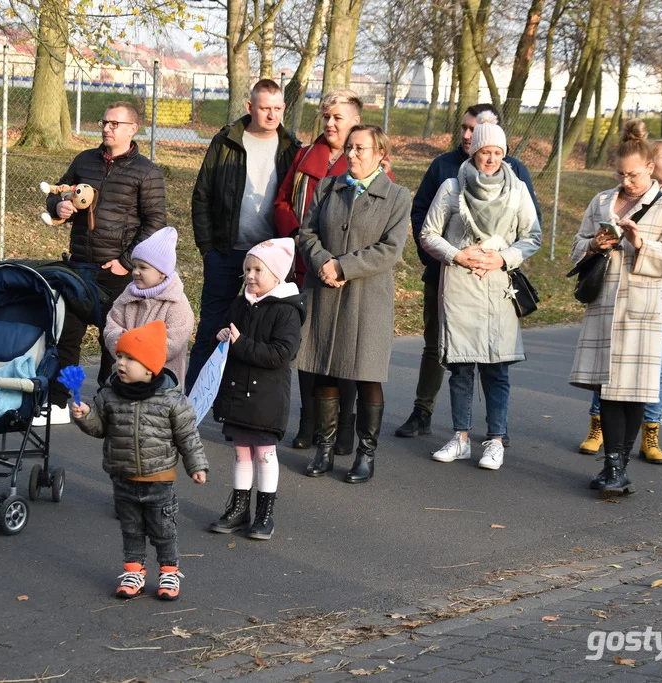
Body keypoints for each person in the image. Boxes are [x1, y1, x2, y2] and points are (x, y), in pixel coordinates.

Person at [396, 103, 541, 440]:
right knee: (442, 349)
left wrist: (502, 259)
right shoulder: (444, 168)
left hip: (494, 281)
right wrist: (442, 257)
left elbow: (530, 229)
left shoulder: (515, 175)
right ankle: (424, 412)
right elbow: (423, 218)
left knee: (494, 362)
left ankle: (496, 433)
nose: (468, 134)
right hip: (447, 275)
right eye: (466, 128)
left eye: (477, 129)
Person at [569, 120, 662, 498]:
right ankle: (611, 465)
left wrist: (641, 244)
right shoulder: (602, 201)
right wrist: (594, 245)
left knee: (633, 392)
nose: (626, 181)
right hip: (604, 305)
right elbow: (576, 246)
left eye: (633, 174)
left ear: (650, 167)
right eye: (620, 174)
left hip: (641, 310)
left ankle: (618, 466)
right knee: (607, 389)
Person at [274, 89, 393, 454]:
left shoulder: (381, 177)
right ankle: (311, 427)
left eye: (337, 118)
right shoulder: (308, 157)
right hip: (306, 265)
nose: (329, 124)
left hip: (352, 279)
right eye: (326, 117)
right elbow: (285, 204)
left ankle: (346, 432)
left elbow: (386, 242)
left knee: (350, 359)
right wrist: (308, 249)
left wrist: (340, 265)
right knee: (313, 353)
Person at [296, 125, 411, 483]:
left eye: (361, 149)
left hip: (368, 299)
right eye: (350, 148)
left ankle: (366, 454)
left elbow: (390, 250)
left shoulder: (397, 196)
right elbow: (306, 232)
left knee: (366, 375)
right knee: (325, 369)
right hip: (324, 291)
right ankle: (325, 449)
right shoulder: (329, 187)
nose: (352, 154)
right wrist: (322, 263)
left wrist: (344, 266)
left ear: (381, 154)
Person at [46, 101, 167, 423]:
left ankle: (106, 403)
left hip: (115, 272)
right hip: (78, 265)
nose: (107, 128)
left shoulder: (147, 172)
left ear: (132, 129)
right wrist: (59, 206)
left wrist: (126, 263)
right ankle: (58, 403)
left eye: (115, 123)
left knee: (112, 340)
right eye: (104, 122)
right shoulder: (84, 160)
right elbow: (57, 192)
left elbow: (155, 222)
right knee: (66, 337)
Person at [70, 320, 208, 601]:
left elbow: (187, 436)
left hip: (159, 479)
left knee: (163, 530)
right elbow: (101, 429)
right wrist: (85, 416)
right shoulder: (109, 394)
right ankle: (134, 571)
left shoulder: (171, 399)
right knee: (131, 529)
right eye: (120, 356)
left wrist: (196, 465)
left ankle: (169, 572)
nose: (120, 362)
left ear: (149, 367)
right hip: (122, 477)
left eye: (130, 358)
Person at [186, 79, 300, 394]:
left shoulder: (292, 147)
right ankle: (191, 403)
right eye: (265, 108)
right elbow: (202, 195)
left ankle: (243, 404)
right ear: (250, 107)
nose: (272, 115)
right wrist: (208, 248)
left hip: (270, 259)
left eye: (278, 109)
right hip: (225, 253)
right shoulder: (225, 142)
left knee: (260, 333)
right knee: (211, 328)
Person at [208, 239, 305, 540]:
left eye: (257, 270)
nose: (249, 275)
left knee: (264, 454)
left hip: (266, 397)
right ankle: (239, 509)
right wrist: (223, 335)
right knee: (240, 453)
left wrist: (241, 344)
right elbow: (229, 335)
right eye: (247, 269)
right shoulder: (240, 304)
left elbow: (281, 354)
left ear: (276, 275)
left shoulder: (287, 311)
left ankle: (265, 513)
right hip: (238, 391)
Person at [103, 226, 194, 383]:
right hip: (124, 376)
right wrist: (121, 344)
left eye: (143, 267)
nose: (136, 272)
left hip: (163, 381)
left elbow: (174, 340)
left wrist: (137, 351)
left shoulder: (176, 303)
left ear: (162, 272)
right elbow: (112, 326)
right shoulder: (127, 297)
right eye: (135, 266)